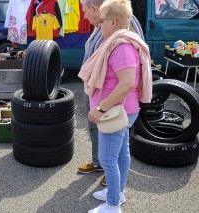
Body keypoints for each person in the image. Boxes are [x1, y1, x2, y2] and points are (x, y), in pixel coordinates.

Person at [78, 0, 152, 212]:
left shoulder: (121, 46)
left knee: (108, 159)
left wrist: (99, 109)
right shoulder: (119, 41)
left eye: (101, 22)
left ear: (113, 21)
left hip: (115, 112)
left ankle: (112, 205)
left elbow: (127, 83)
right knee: (121, 155)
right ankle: (116, 192)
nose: (98, 25)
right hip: (121, 110)